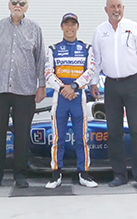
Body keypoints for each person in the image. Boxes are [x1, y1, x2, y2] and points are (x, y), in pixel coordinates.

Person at [0, 0, 46, 189]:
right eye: (14, 2)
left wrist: (41, 86)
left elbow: (40, 60)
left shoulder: (35, 29)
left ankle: (20, 174)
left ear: (26, 7)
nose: (18, 5)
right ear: (9, 4)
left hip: (25, 91)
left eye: (22, 3)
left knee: (22, 134)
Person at [92, 0, 137, 190]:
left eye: (119, 6)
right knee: (114, 132)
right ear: (106, 10)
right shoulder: (100, 31)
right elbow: (96, 59)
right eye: (112, 6)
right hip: (111, 85)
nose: (116, 9)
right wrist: (94, 82)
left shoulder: (134, 27)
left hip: (133, 83)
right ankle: (119, 174)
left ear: (123, 8)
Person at [44, 13, 100, 189]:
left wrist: (74, 86)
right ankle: (55, 174)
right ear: (61, 27)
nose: (70, 27)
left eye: (73, 24)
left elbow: (91, 70)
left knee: (81, 137)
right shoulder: (53, 48)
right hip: (60, 98)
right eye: (66, 24)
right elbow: (47, 73)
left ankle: (84, 173)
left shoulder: (86, 48)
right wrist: (63, 89)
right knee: (58, 137)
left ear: (78, 26)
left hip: (78, 97)